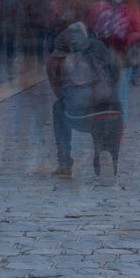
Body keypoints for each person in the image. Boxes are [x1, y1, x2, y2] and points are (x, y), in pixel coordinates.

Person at [46, 19, 121, 179]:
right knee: (109, 116)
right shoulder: (98, 46)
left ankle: (64, 163)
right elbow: (115, 74)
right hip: (111, 108)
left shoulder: (56, 58)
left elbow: (59, 92)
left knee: (58, 108)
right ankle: (107, 159)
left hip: (78, 114)